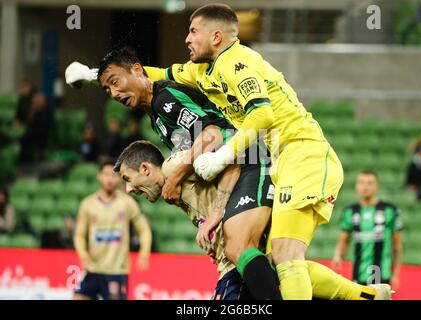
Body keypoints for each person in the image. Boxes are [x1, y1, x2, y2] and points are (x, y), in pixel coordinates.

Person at [145, 3, 346, 300]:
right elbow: (155, 74)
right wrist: (95, 73)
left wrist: (222, 157)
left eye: (193, 31)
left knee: (286, 254)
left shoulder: (238, 62)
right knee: (277, 260)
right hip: (281, 160)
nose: (186, 38)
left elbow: (262, 115)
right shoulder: (202, 70)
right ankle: (365, 294)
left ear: (216, 37)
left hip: (302, 152)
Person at [69, 47, 281, 300]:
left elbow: (211, 135)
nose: (114, 94)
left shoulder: (163, 98)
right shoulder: (155, 115)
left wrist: (176, 178)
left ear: (137, 70)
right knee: (273, 261)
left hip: (250, 160)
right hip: (238, 166)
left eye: (115, 83)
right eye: (107, 90)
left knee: (239, 248)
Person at [115, 141, 393, 300]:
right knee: (288, 268)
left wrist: (219, 213)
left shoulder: (174, 166)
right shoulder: (172, 191)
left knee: (285, 268)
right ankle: (364, 295)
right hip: (242, 252)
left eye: (128, 180)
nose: (128, 189)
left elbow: (226, 149)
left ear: (145, 168)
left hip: (240, 256)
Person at [73, 159, 152, 300]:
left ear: (119, 178)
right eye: (106, 174)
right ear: (99, 176)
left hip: (116, 270)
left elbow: (144, 230)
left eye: (113, 175)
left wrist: (144, 254)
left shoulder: (128, 203)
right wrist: (83, 254)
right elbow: (79, 235)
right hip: (92, 268)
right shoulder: (87, 204)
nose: (109, 179)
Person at [332, 170, 404, 291]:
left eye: (370, 183)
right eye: (361, 183)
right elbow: (343, 240)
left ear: (377, 186)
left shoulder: (389, 210)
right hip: (357, 274)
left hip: (382, 274)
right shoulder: (349, 211)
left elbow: (397, 245)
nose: (365, 187)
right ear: (356, 186)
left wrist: (396, 274)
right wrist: (337, 256)